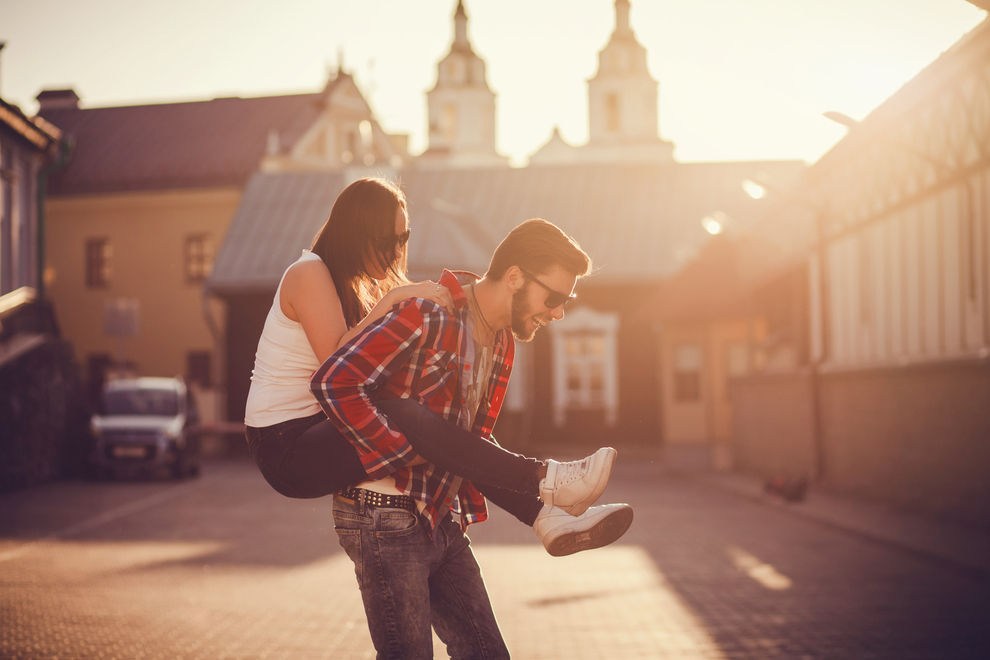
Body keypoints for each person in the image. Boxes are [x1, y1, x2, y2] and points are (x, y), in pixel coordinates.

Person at [244, 178, 632, 556]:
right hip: (285, 445)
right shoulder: (309, 272)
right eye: (389, 240)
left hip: (323, 427)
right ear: (358, 233)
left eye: (404, 238)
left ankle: (544, 513)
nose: (398, 250)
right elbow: (334, 365)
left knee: (442, 421)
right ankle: (546, 479)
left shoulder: (360, 285)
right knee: (407, 412)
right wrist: (398, 296)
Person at [312, 217, 630, 659]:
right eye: (553, 297)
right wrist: (396, 451)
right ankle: (551, 487)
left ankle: (547, 508)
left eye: (566, 300)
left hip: (438, 516)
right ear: (515, 276)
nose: (559, 312)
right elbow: (335, 382)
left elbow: (469, 445)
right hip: (382, 513)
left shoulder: (501, 343)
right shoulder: (428, 313)